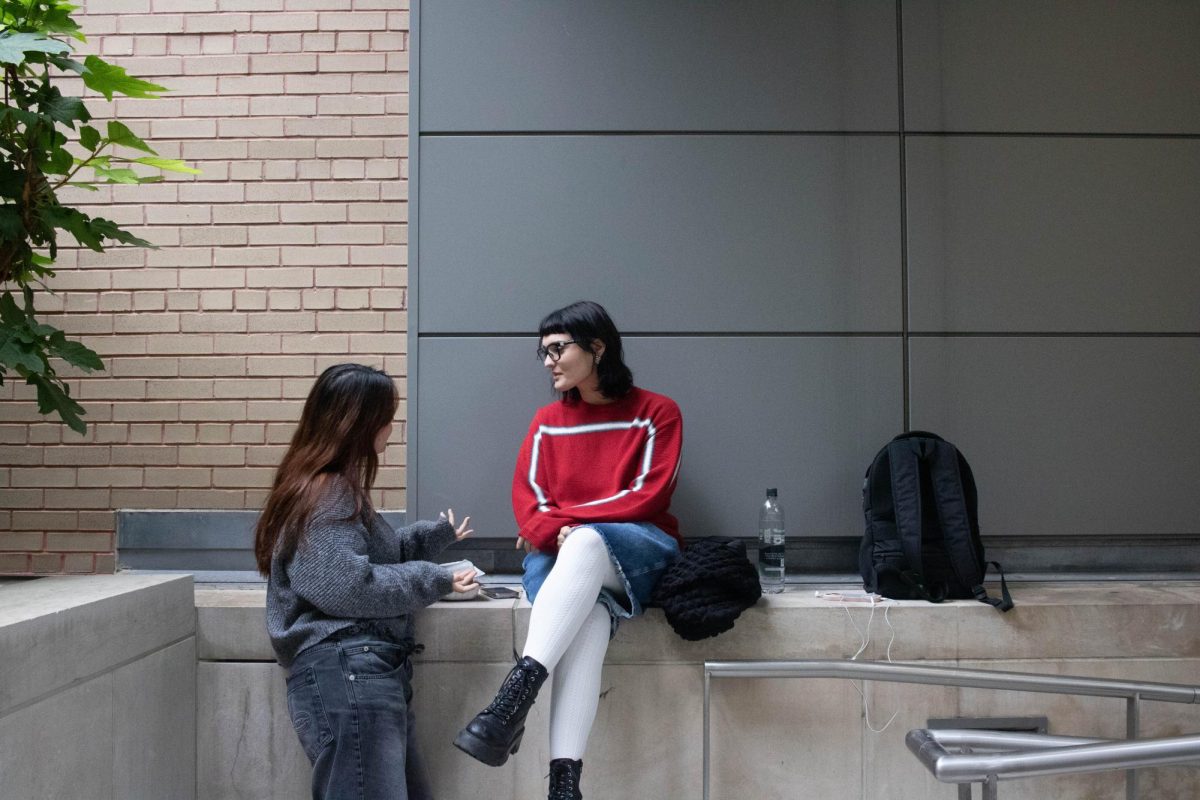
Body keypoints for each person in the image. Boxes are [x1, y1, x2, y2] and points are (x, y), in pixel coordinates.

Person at [454, 301, 683, 800]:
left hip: (637, 551)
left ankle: (511, 702)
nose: (548, 361)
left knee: (584, 542)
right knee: (589, 625)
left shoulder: (656, 413)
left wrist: (572, 524)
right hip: (563, 562)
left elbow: (648, 495)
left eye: (558, 349)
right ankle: (564, 785)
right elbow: (529, 503)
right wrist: (559, 530)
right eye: (543, 353)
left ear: (597, 348)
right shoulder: (546, 422)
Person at [255, 363, 480, 800]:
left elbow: (365, 559)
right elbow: (348, 587)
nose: (391, 427)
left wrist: (433, 539)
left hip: (357, 674)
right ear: (358, 423)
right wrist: (436, 579)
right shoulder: (328, 491)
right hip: (350, 674)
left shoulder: (325, 488)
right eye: (385, 414)